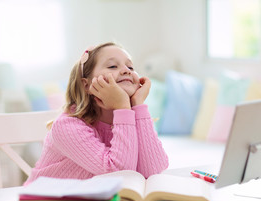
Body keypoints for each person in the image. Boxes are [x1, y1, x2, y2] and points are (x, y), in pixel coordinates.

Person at [24, 42, 169, 185]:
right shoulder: (67, 126)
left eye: (130, 66)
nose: (127, 70)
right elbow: (122, 175)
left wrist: (138, 105)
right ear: (86, 85)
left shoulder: (131, 120)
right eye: (112, 66)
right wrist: (122, 107)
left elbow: (153, 172)